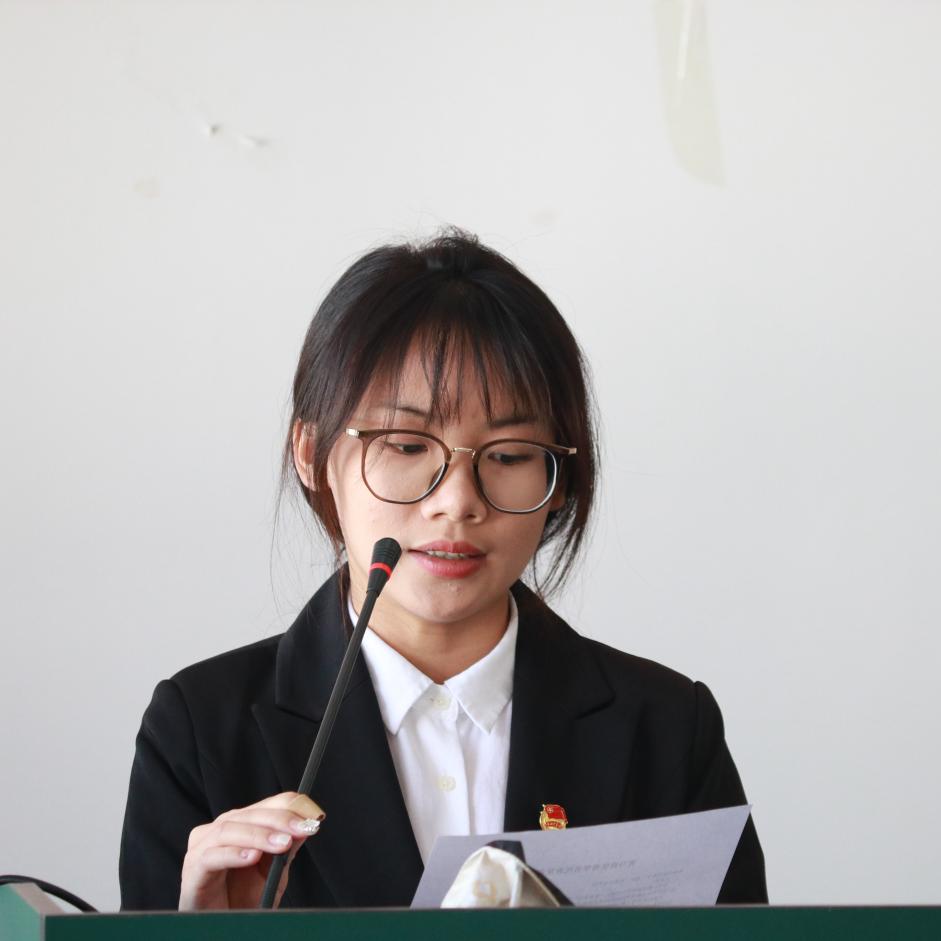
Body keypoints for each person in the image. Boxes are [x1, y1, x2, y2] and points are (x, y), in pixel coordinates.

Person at [118, 231, 767, 910]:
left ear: (561, 477)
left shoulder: (666, 728)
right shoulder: (200, 729)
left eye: (510, 455)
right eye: (406, 445)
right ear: (310, 453)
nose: (457, 501)